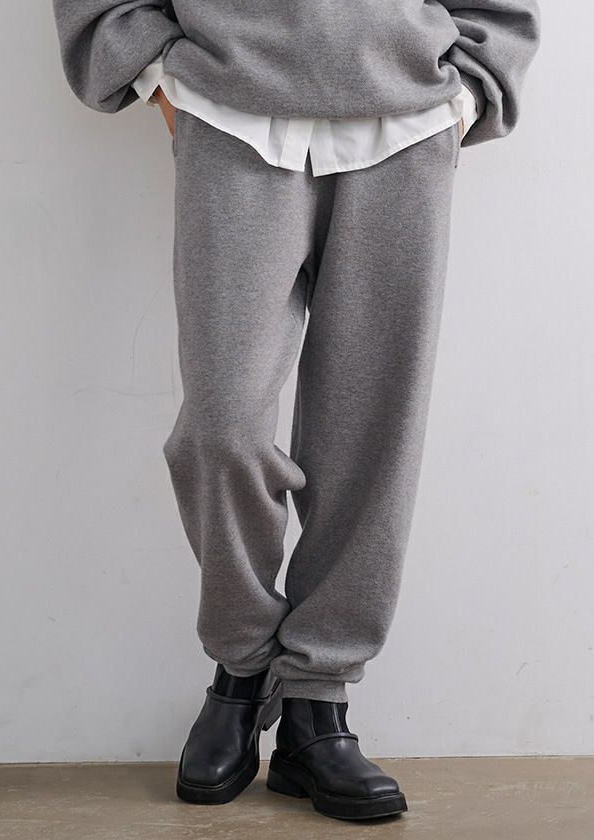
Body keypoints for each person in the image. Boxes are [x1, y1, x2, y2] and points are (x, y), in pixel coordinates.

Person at [52, 1, 540, 821]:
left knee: (373, 432)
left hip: (408, 123)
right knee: (223, 428)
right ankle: (241, 667)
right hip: (229, 112)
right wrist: (159, 74)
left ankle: (319, 700)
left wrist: (466, 91)